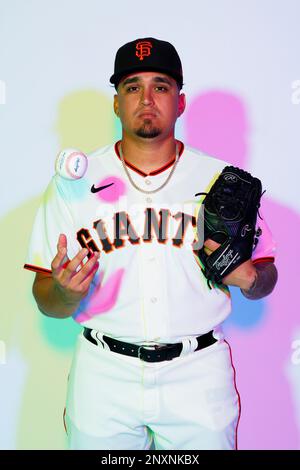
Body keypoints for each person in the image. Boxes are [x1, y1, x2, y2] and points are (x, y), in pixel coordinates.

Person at [24, 37, 278, 450]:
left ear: (180, 102)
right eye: (131, 87)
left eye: (160, 86)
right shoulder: (73, 183)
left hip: (197, 373)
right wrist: (65, 294)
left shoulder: (221, 179)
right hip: (104, 374)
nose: (146, 98)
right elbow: (45, 299)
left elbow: (267, 276)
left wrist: (251, 278)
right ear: (116, 103)